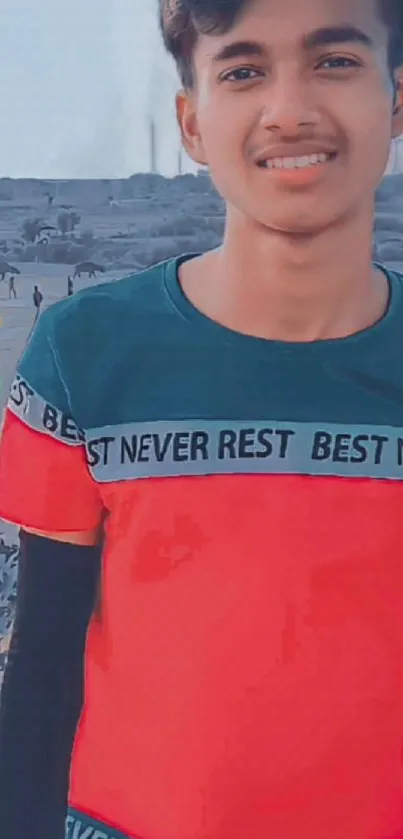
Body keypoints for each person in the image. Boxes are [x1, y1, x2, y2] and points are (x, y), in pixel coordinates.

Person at [0, 1, 403, 837]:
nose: (288, 108)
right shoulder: (82, 352)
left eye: (334, 61)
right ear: (191, 122)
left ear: (395, 98)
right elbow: (41, 666)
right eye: (242, 70)